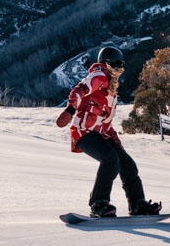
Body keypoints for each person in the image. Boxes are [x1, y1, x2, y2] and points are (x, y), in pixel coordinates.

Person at [56, 46, 161, 218]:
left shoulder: (111, 89)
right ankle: (98, 204)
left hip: (100, 134)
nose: (121, 68)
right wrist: (70, 110)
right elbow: (79, 90)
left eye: (122, 64)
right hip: (84, 133)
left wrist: (118, 145)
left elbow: (106, 123)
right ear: (107, 63)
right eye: (117, 64)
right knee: (110, 159)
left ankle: (138, 204)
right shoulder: (99, 76)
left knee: (127, 164)